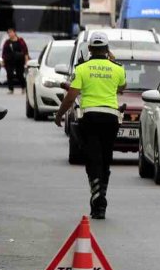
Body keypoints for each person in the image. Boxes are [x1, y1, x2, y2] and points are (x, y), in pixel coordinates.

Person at [54, 32, 126, 220]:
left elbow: (71, 96)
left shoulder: (82, 68)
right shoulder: (118, 68)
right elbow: (121, 87)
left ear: (90, 49)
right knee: (105, 159)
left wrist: (59, 114)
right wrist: (113, 61)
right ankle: (100, 199)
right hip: (111, 118)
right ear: (107, 49)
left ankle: (98, 200)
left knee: (92, 159)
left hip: (90, 118)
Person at [2, 28, 29, 94]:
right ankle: (11, 89)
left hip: (19, 60)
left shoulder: (20, 41)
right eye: (8, 33)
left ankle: (23, 87)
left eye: (11, 32)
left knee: (19, 74)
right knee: (9, 74)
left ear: (14, 33)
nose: (10, 34)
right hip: (9, 60)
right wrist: (3, 61)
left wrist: (26, 61)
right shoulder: (7, 42)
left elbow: (25, 51)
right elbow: (4, 52)